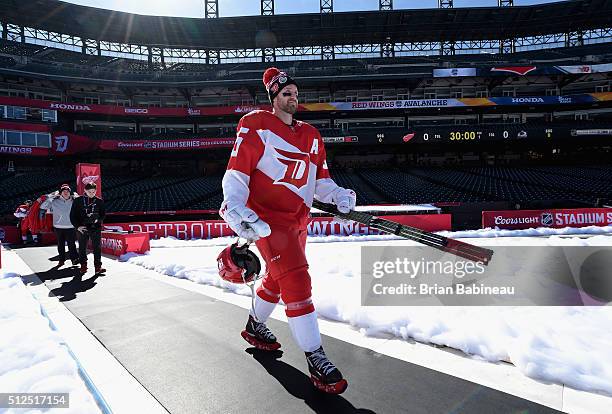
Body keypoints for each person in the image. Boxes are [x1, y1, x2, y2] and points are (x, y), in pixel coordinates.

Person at [219, 67, 356, 394]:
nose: (293, 98)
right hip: (267, 220)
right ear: (273, 98)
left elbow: (321, 180)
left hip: (298, 222)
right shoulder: (256, 124)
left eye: (295, 93)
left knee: (278, 281)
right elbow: (237, 172)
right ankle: (316, 358)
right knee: (296, 278)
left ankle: (255, 327)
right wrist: (234, 205)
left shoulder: (312, 135)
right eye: (286, 94)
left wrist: (336, 194)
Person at [70, 182, 106, 275]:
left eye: (93, 191)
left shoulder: (99, 201)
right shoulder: (78, 200)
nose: (92, 193)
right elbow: (72, 216)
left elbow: (103, 215)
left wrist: (97, 220)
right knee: (82, 248)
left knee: (97, 248)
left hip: (95, 227)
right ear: (85, 190)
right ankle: (83, 266)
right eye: (89, 191)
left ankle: (98, 267)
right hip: (83, 228)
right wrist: (78, 227)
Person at [41, 183, 79, 267]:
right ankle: (61, 260)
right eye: (64, 191)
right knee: (60, 244)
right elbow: (43, 206)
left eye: (67, 191)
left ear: (70, 192)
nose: (66, 192)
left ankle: (74, 259)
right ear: (60, 193)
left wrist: (78, 198)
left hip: (70, 226)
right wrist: (50, 197)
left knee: (71, 244)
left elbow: (83, 207)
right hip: (58, 227)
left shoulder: (74, 201)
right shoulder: (55, 201)